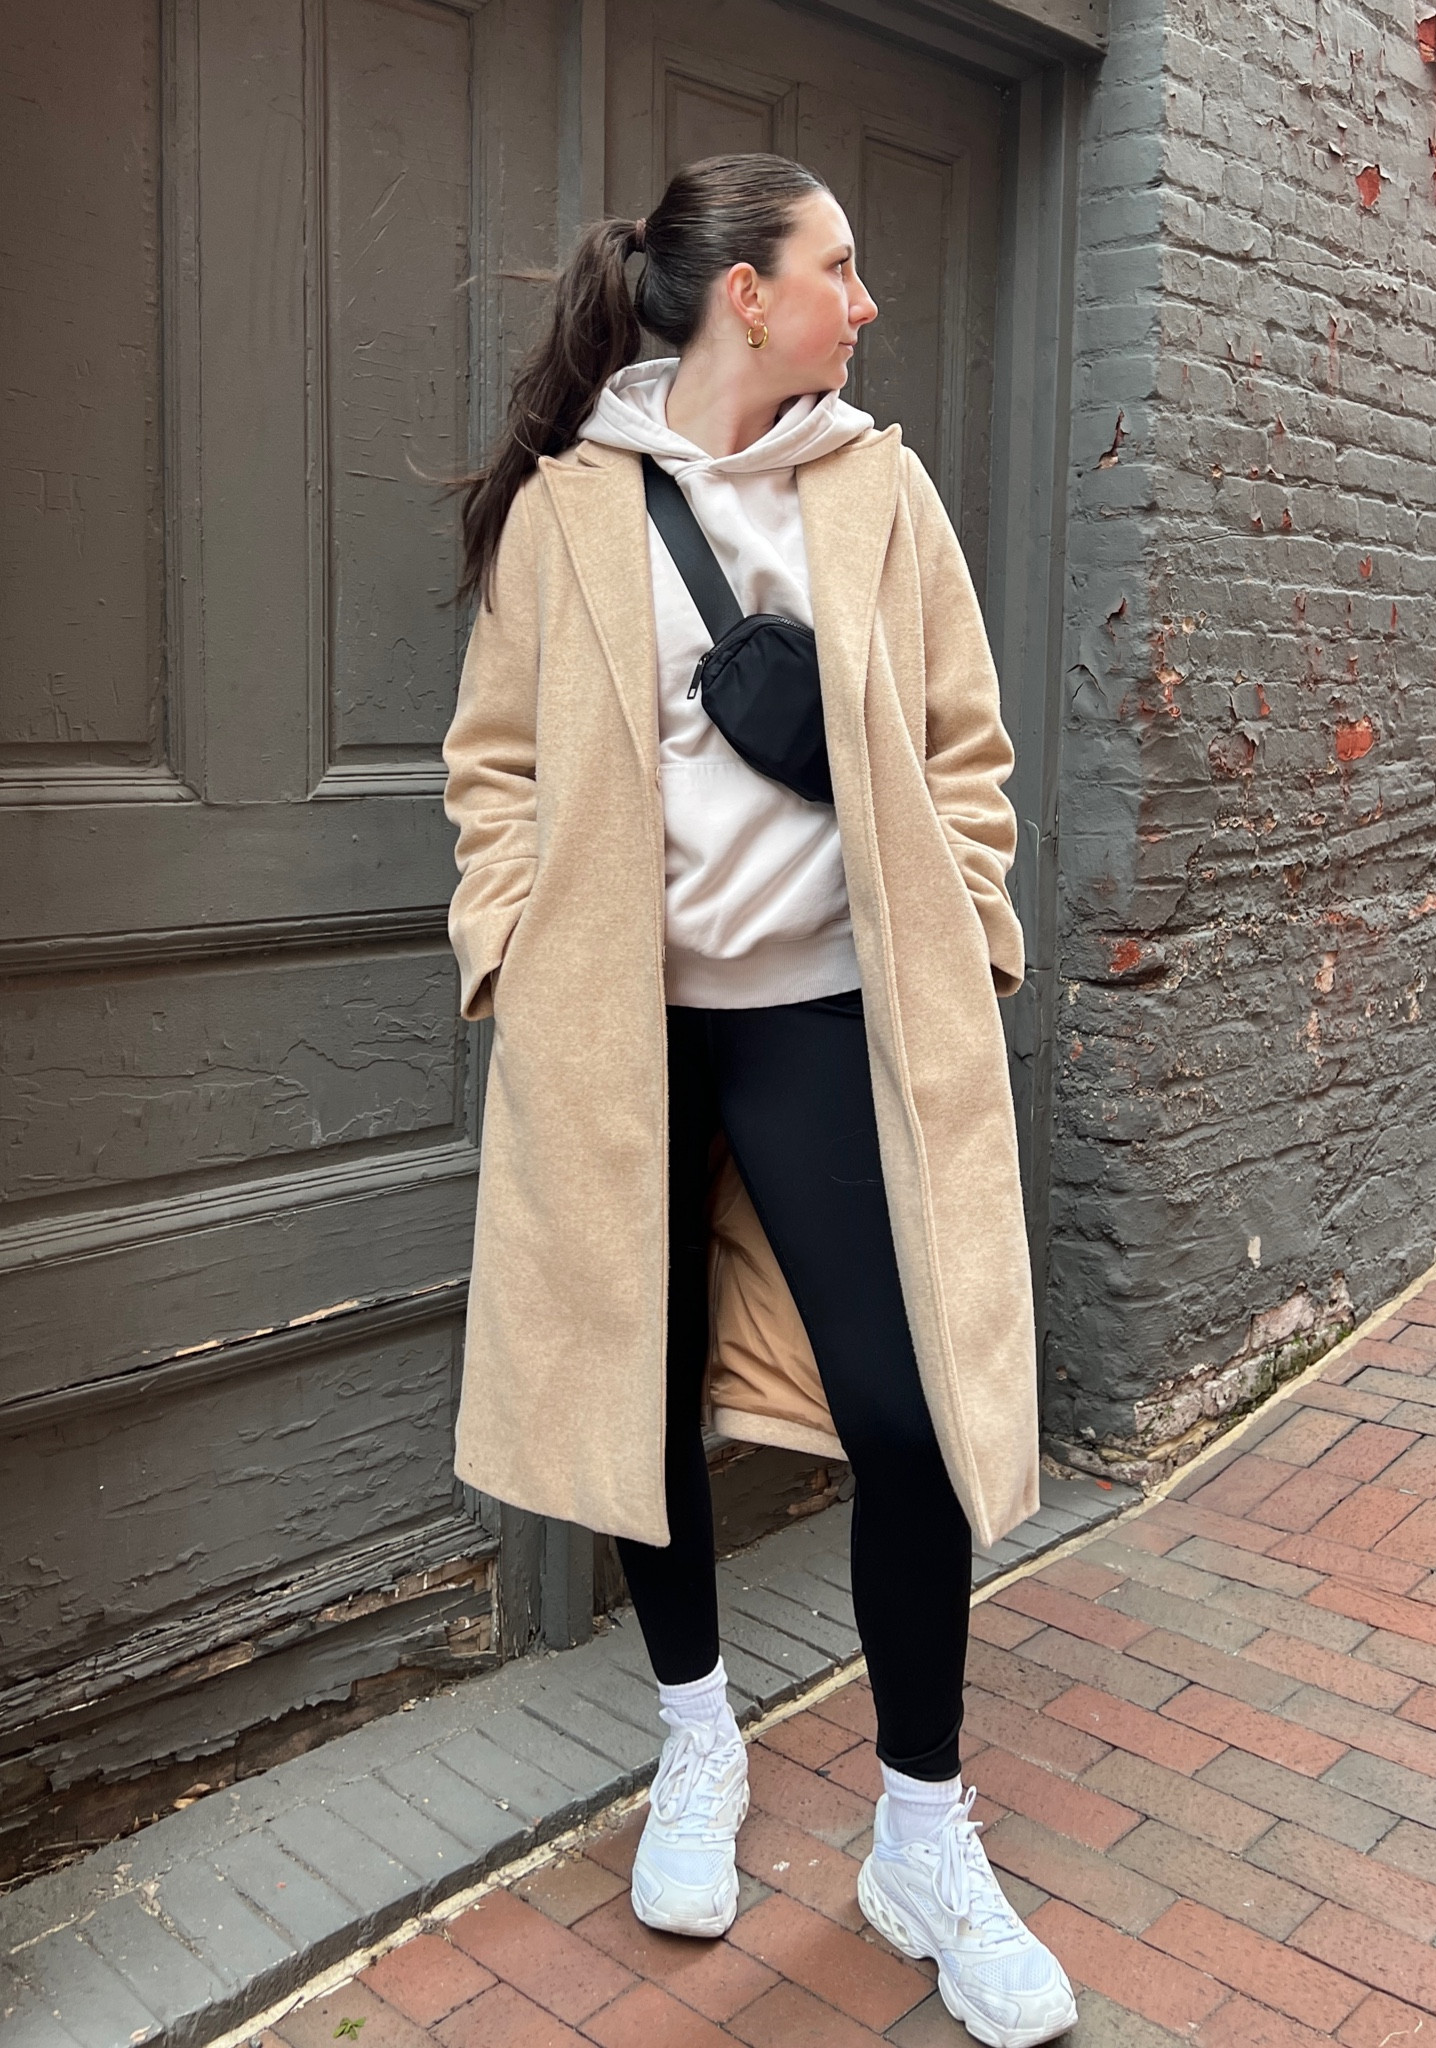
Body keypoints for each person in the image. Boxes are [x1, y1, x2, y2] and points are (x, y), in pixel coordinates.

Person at [442, 152, 1076, 2048]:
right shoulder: (570, 516)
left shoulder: (878, 494)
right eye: (841, 267)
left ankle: (922, 1834)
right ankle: (695, 1738)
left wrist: (971, 931)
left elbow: (968, 742)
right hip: (619, 1029)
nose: (862, 298)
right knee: (637, 1398)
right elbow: (490, 768)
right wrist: (506, 950)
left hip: (823, 1017)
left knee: (905, 1412)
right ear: (743, 294)